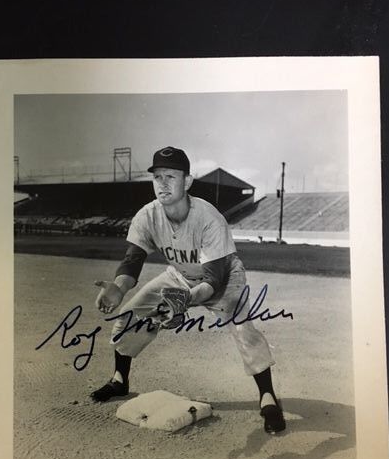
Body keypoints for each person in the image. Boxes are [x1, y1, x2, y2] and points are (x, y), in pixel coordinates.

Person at [92, 146, 286, 434]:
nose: (163, 183)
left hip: (222, 277)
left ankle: (267, 396)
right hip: (180, 275)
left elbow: (212, 280)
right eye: (158, 177)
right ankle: (120, 379)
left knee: (240, 322)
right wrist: (119, 289)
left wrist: (183, 301)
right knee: (132, 312)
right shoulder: (147, 215)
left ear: (188, 181)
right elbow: (132, 261)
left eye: (171, 176)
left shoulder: (209, 218)